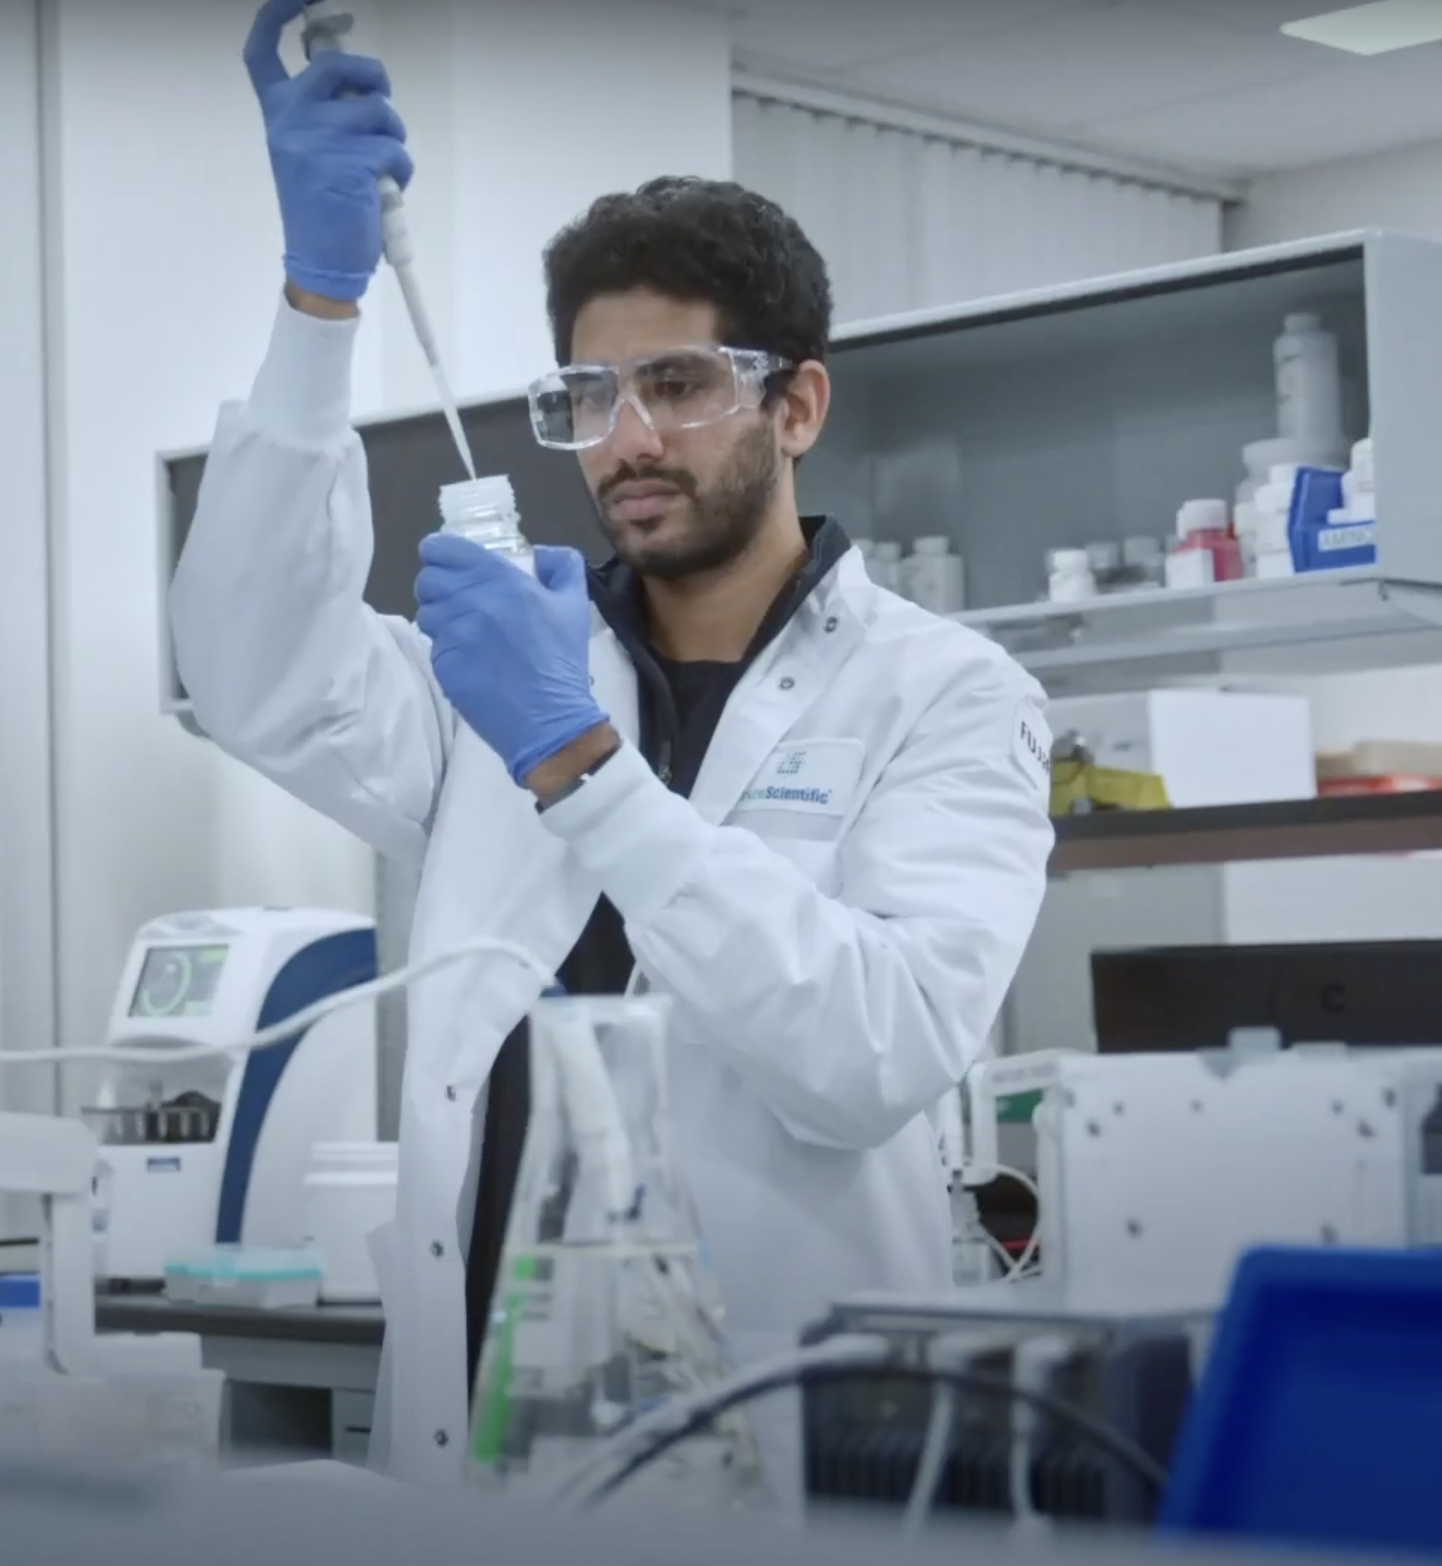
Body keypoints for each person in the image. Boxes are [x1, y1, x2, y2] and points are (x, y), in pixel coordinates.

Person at [171, 0, 1055, 1490]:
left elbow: (873, 1055)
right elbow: (251, 671)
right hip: (483, 1447)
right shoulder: (502, 679)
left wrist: (581, 763)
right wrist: (320, 305)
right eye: (590, 395)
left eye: (680, 385)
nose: (626, 438)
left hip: (785, 1457)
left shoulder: (945, 692)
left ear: (797, 405)